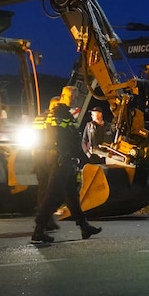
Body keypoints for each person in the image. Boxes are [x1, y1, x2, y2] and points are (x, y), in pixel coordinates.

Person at [32, 93, 102, 243]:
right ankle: (39, 230)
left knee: (71, 194)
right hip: (61, 160)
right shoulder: (59, 115)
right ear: (63, 97)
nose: (74, 99)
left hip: (58, 159)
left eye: (75, 97)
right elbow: (63, 139)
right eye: (71, 96)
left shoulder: (61, 115)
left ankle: (84, 226)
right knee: (53, 195)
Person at [32, 97, 61, 232]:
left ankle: (47, 219)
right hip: (44, 156)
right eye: (56, 105)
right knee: (46, 189)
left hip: (42, 155)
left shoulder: (41, 118)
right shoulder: (48, 118)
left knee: (48, 189)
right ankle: (44, 220)